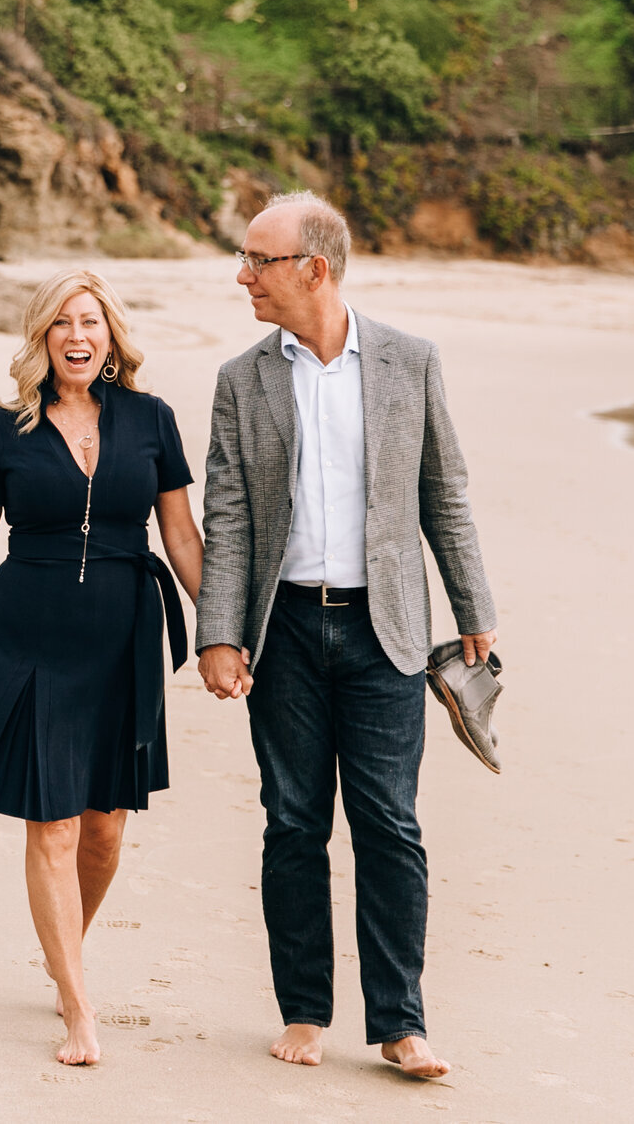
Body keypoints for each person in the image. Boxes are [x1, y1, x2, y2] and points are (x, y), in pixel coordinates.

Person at [196, 192, 497, 1081]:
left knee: (389, 824)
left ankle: (401, 1022)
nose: (241, 275)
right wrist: (220, 632)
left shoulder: (411, 361)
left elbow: (445, 489)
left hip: (387, 630)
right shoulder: (240, 379)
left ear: (312, 269)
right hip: (283, 627)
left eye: (258, 259)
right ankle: (303, 1009)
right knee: (291, 822)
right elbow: (230, 514)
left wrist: (472, 604)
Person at [0, 268, 203, 1067]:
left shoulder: (151, 419)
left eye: (92, 322)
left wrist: (223, 631)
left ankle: (60, 946)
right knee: (56, 822)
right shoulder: (2, 428)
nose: (78, 336)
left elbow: (180, 538)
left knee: (106, 830)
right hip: (29, 632)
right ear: (42, 337)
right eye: (63, 323)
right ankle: (79, 1006)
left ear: (111, 337)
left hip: (124, 636)